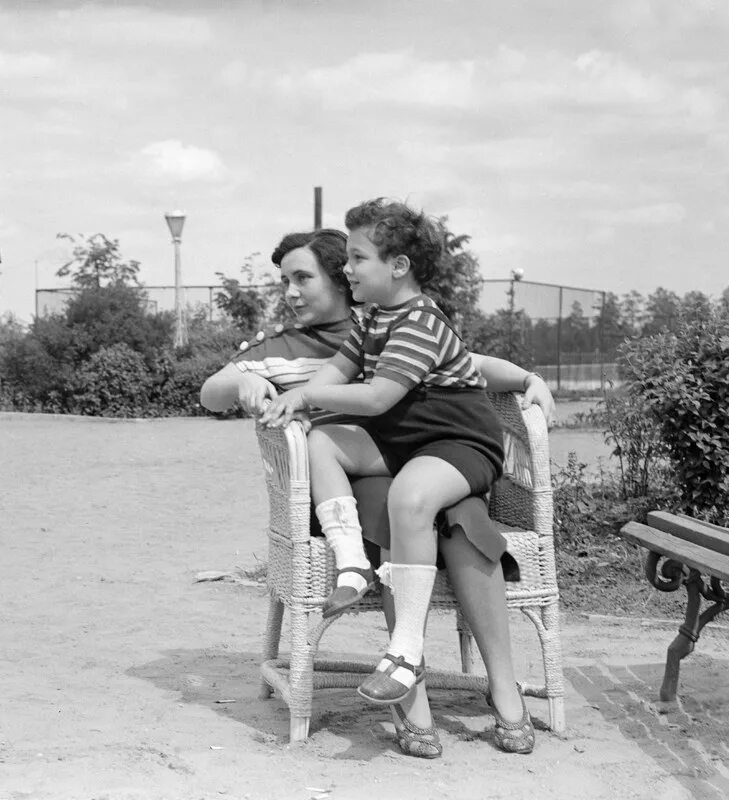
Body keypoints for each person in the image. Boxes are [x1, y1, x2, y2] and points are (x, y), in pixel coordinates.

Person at [201, 225, 550, 758]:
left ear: (343, 277)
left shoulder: (383, 324)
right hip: (350, 483)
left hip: (423, 462)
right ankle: (413, 702)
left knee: (466, 524)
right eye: (285, 281)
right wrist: (243, 382)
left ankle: (501, 686)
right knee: (398, 509)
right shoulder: (278, 349)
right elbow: (212, 391)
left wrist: (528, 379)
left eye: (303, 278)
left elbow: (471, 366)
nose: (290, 292)